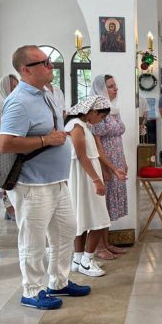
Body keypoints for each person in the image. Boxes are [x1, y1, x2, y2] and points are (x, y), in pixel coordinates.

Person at [0, 45, 90, 310]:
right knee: (34, 239)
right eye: (44, 62)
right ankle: (32, 290)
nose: (50, 66)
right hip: (32, 183)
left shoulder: (46, 94)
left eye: (49, 61)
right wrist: (45, 140)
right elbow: (6, 143)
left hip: (56, 180)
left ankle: (58, 282)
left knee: (66, 231)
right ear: (26, 70)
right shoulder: (18, 101)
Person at [65, 96, 113, 277]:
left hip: (85, 176)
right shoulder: (76, 127)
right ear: (92, 111)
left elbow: (93, 154)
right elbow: (81, 156)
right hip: (85, 178)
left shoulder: (82, 126)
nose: (101, 120)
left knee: (83, 218)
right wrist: (96, 180)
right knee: (99, 219)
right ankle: (87, 260)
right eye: (101, 116)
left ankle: (78, 259)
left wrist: (109, 170)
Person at [90, 74, 130, 260]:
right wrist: (107, 167)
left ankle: (106, 243)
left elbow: (118, 137)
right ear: (102, 90)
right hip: (105, 162)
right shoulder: (97, 111)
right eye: (111, 86)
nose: (116, 89)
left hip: (117, 161)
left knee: (109, 206)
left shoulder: (113, 109)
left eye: (115, 85)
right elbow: (96, 144)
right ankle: (98, 247)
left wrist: (123, 161)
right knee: (102, 206)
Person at [0, 74, 18, 221]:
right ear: (5, 88)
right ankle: (10, 210)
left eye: (17, 86)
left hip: (15, 148)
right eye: (13, 87)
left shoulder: (14, 104)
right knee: (6, 183)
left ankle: (11, 209)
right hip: (4, 151)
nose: (16, 90)